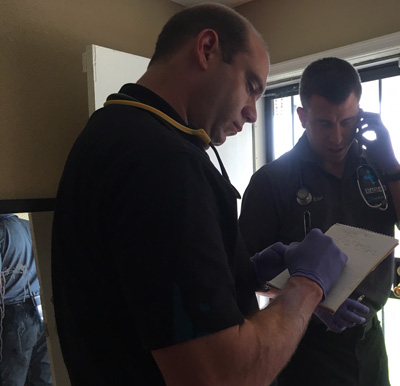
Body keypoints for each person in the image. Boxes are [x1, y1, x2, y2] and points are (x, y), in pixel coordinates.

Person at [51, 4, 348, 386]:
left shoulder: (109, 130)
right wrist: (308, 284)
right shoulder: (164, 163)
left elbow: (145, 292)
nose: (254, 113)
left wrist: (244, 271)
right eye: (252, 86)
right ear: (207, 48)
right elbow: (222, 376)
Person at [239, 57, 400, 386]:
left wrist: (391, 166)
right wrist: (316, 301)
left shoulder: (378, 169)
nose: (337, 136)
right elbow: (249, 275)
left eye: (347, 122)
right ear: (302, 117)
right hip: (302, 348)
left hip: (369, 344)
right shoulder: (272, 181)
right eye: (323, 124)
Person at [0, 214, 52, 386]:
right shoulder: (28, 225)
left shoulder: (2, 231)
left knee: (11, 378)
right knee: (43, 376)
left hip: (14, 316)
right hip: (41, 308)